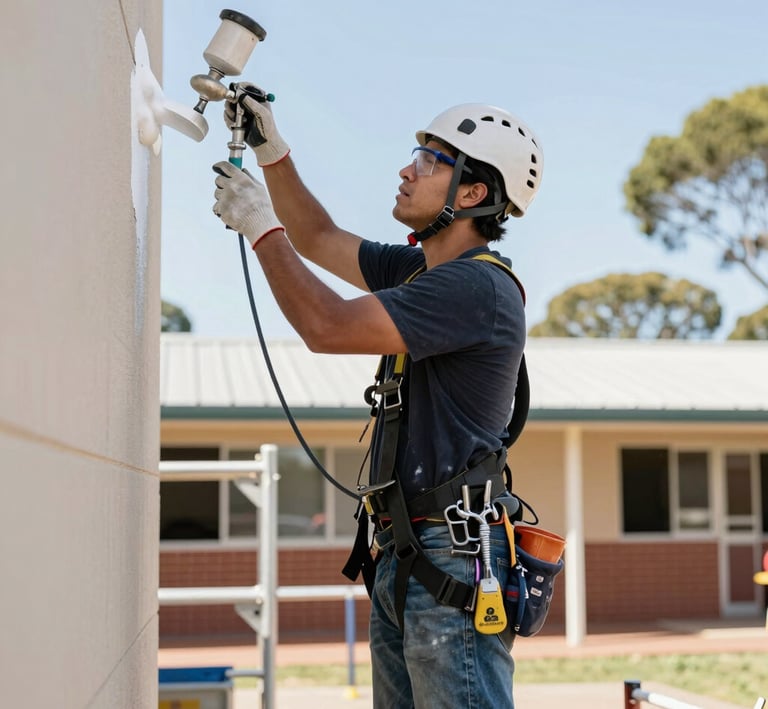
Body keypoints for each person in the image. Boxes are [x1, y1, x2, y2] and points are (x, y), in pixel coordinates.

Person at [212, 89, 543, 709]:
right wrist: (270, 150)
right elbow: (316, 235)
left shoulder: (477, 286)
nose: (406, 168)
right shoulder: (419, 273)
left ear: (472, 194)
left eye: (430, 159)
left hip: (449, 551)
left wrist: (259, 226)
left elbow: (327, 326)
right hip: (408, 549)